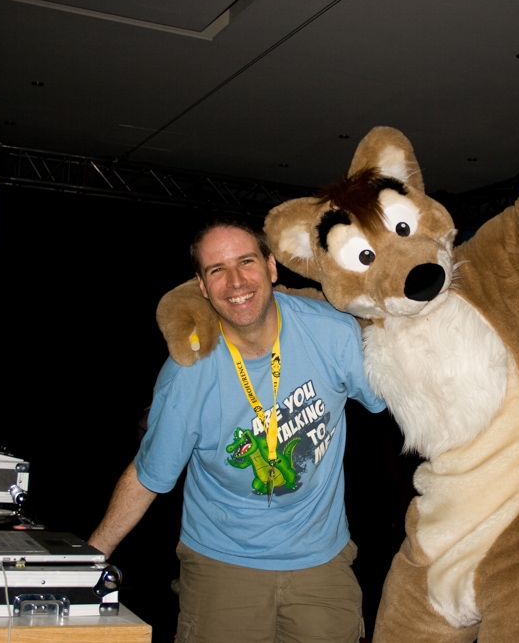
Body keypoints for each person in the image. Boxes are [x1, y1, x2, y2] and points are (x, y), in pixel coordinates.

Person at [88, 220, 385, 643]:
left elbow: (405, 401)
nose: (235, 282)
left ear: (271, 267)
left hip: (321, 560)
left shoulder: (333, 333)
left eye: (246, 262)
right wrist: (87, 560)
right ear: (202, 286)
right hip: (222, 563)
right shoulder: (188, 372)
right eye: (217, 270)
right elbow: (148, 474)